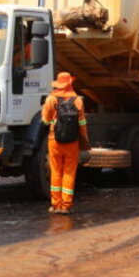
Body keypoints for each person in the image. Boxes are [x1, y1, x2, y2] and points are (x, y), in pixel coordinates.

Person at [42, 72, 90, 214]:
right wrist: (83, 139)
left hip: (54, 140)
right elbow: (82, 122)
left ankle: (56, 204)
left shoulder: (51, 99)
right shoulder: (78, 100)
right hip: (72, 142)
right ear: (70, 83)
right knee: (69, 172)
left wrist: (53, 123)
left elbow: (45, 120)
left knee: (56, 171)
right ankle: (66, 205)